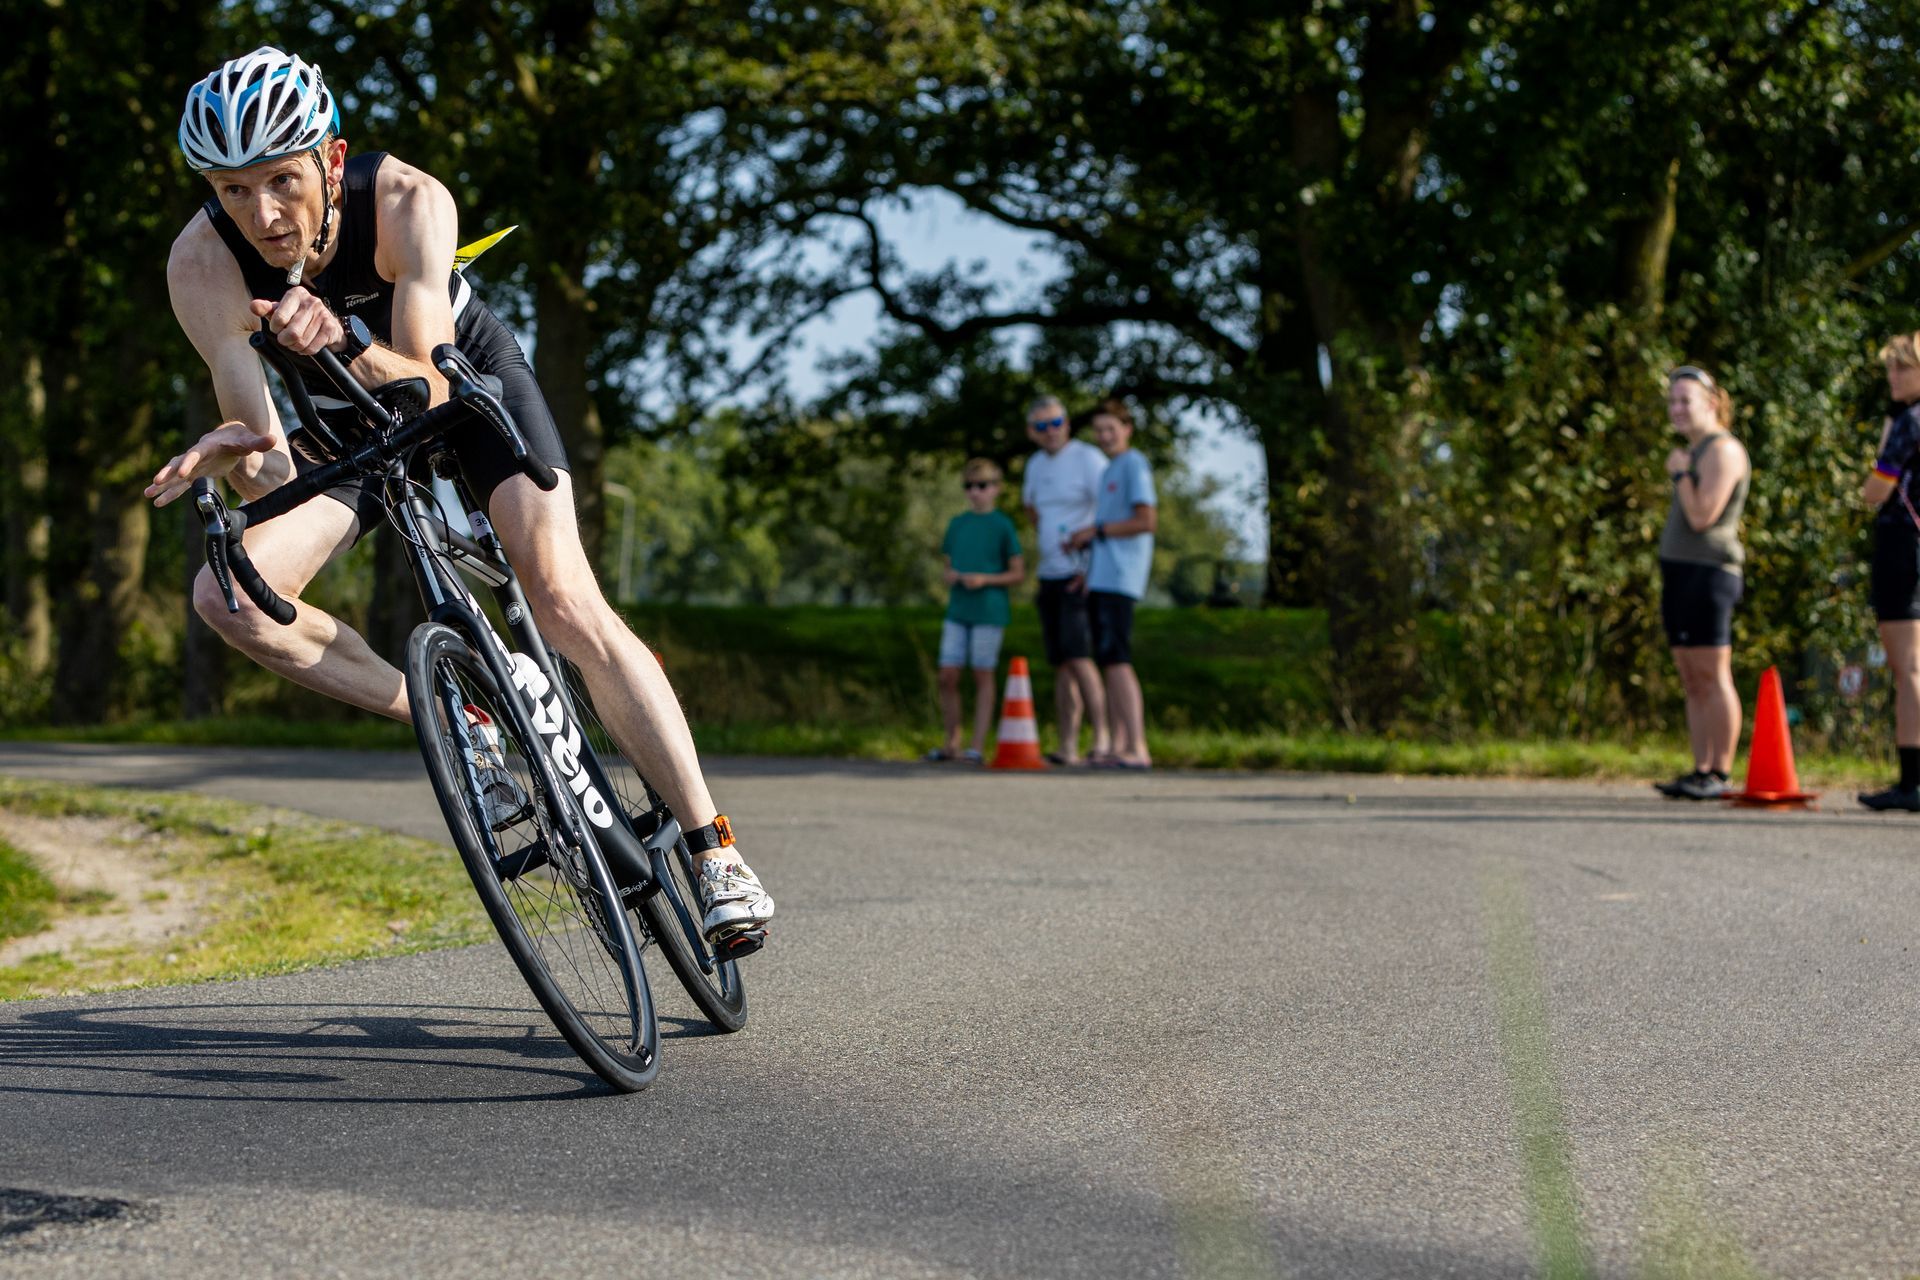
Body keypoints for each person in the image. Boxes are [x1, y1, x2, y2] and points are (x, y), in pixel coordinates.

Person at [145, 47, 774, 944]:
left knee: (561, 594)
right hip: (347, 429)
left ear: (331, 156)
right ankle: (458, 715)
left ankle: (713, 845)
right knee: (230, 597)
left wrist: (343, 341)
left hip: (461, 382)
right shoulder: (201, 263)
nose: (264, 214)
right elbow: (273, 467)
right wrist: (235, 450)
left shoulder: (407, 200)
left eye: (282, 181)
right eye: (233, 191)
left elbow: (429, 390)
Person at [1652, 366, 1750, 801]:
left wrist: (1679, 474)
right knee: (1691, 678)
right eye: (1671, 401)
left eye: (1684, 400)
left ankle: (1721, 772)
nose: (1676, 409)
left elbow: (1702, 515)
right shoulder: (1696, 451)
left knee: (1713, 674)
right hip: (1680, 572)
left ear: (1711, 403)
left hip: (1710, 574)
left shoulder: (1722, 451)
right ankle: (1700, 768)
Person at [1020, 395, 1111, 765]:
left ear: (1068, 423)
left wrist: (1092, 566)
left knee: (1079, 656)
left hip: (1080, 573)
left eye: (1055, 423)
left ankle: (1103, 737)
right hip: (1050, 574)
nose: (1050, 432)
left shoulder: (1088, 459)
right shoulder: (1035, 465)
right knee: (1061, 662)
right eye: (1042, 426)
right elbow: (1032, 510)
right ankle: (1067, 743)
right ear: (1032, 432)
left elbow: (1107, 511)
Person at [1066, 399, 1156, 770]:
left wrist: (1096, 529)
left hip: (1122, 576)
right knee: (1107, 659)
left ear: (1127, 429)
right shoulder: (1109, 471)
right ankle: (1120, 744)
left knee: (1118, 659)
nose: (1104, 436)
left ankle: (1138, 745)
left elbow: (1146, 520)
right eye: (1099, 430)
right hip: (1102, 576)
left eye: (1111, 429)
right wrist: (1089, 569)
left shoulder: (1134, 464)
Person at [1857, 331, 1920, 810]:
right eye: (1890, 368)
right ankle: (1908, 780)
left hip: (1904, 545)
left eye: (1902, 367)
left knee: (1909, 666)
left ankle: (1912, 783)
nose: (1892, 377)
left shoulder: (1909, 421)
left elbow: (1878, 487)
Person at [928, 459, 1025, 763]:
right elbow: (947, 566)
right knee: (947, 675)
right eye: (969, 486)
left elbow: (1017, 573)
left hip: (988, 611)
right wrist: (953, 577)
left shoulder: (1003, 526)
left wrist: (985, 579)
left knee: (983, 673)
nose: (975, 492)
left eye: (981, 486)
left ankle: (977, 745)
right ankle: (951, 741)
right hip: (958, 609)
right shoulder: (958, 524)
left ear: (995, 489)